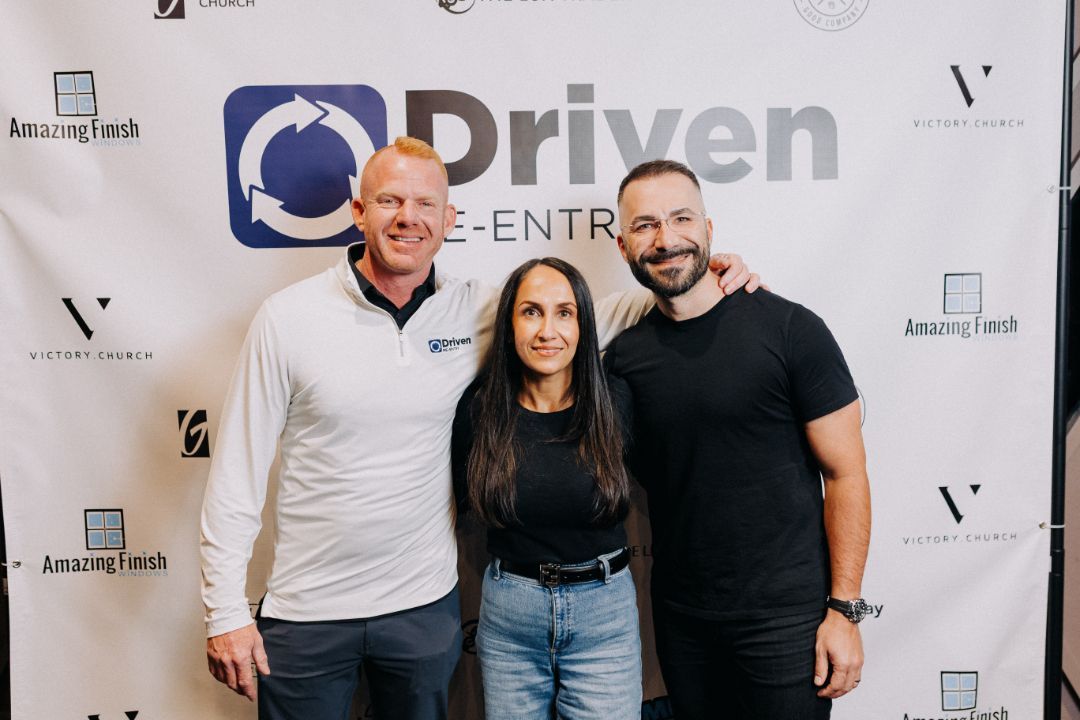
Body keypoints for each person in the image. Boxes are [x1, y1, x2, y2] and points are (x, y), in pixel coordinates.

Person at [200, 137, 758, 720]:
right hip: (306, 610)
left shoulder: (478, 311)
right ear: (359, 211)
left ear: (449, 220)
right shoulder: (288, 319)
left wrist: (706, 275)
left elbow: (591, 312)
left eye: (425, 205)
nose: (408, 219)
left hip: (421, 610)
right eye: (390, 201)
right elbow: (236, 476)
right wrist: (225, 613)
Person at [603, 160, 871, 720]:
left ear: (708, 229)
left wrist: (844, 611)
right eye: (645, 225)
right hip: (683, 619)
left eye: (681, 218)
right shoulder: (623, 360)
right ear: (624, 246)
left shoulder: (791, 330)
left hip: (788, 621)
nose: (666, 238)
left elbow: (846, 474)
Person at [452, 258, 640, 719]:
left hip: (606, 614)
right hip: (510, 616)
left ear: (583, 325)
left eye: (564, 312)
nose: (547, 331)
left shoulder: (616, 402)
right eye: (531, 311)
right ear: (509, 322)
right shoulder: (479, 411)